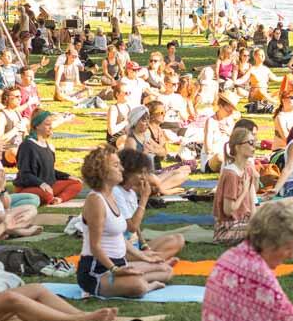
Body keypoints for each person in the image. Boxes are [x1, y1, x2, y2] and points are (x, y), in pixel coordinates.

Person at [0, 181, 117, 321]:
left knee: (37, 289)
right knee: (11, 297)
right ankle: (77, 320)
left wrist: (5, 225)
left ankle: (80, 314)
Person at [77, 146, 175, 298]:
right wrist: (115, 269)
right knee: (138, 287)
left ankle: (133, 278)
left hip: (119, 263)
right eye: (116, 165)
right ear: (102, 172)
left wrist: (145, 257)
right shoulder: (95, 200)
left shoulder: (111, 196)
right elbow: (95, 246)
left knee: (166, 270)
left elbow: (120, 238)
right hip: (96, 271)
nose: (122, 169)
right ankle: (139, 283)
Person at [114, 148, 185, 259]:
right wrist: (144, 198)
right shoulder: (116, 192)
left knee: (178, 239)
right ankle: (152, 261)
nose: (143, 177)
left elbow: (136, 229)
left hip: (135, 247)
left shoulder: (131, 193)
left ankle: (150, 259)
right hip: (121, 250)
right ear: (127, 172)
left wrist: (144, 245)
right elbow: (131, 227)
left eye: (144, 173)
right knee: (163, 264)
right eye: (140, 173)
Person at [14, 110, 83, 205]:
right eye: (47, 124)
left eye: (51, 124)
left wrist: (68, 176)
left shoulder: (47, 145)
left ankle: (58, 199)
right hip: (29, 187)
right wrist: (41, 184)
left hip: (47, 186)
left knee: (77, 184)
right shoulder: (27, 146)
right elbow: (25, 174)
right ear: (37, 126)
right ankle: (50, 198)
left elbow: (49, 170)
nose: (51, 127)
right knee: (47, 194)